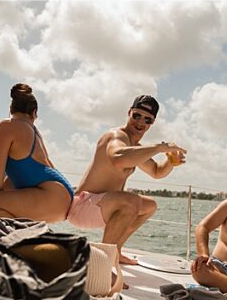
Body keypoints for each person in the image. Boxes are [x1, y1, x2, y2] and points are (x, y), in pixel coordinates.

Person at [66, 95, 186, 265]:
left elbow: (157, 171)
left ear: (152, 122)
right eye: (137, 115)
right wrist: (159, 147)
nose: (140, 122)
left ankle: (116, 251)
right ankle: (103, 263)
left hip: (101, 207)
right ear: (129, 112)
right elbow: (118, 158)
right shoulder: (116, 136)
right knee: (131, 201)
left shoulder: (134, 148)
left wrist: (171, 161)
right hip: (83, 206)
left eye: (147, 119)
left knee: (149, 205)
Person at [0, 84, 74, 223]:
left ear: (11, 109)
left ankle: (21, 237)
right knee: (6, 191)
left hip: (52, 197)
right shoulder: (35, 132)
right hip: (63, 195)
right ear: (34, 112)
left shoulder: (8, 126)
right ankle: (31, 234)